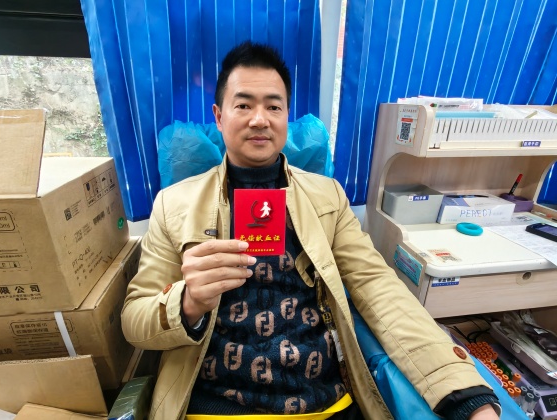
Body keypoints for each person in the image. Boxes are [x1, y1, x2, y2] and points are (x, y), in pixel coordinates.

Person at [121, 41, 501, 420]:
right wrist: (188, 303)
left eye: (274, 107)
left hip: (324, 403)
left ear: (287, 116)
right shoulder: (174, 204)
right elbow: (134, 319)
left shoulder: (327, 197)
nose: (260, 119)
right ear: (219, 117)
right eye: (244, 105)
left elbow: (378, 287)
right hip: (218, 407)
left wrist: (464, 393)